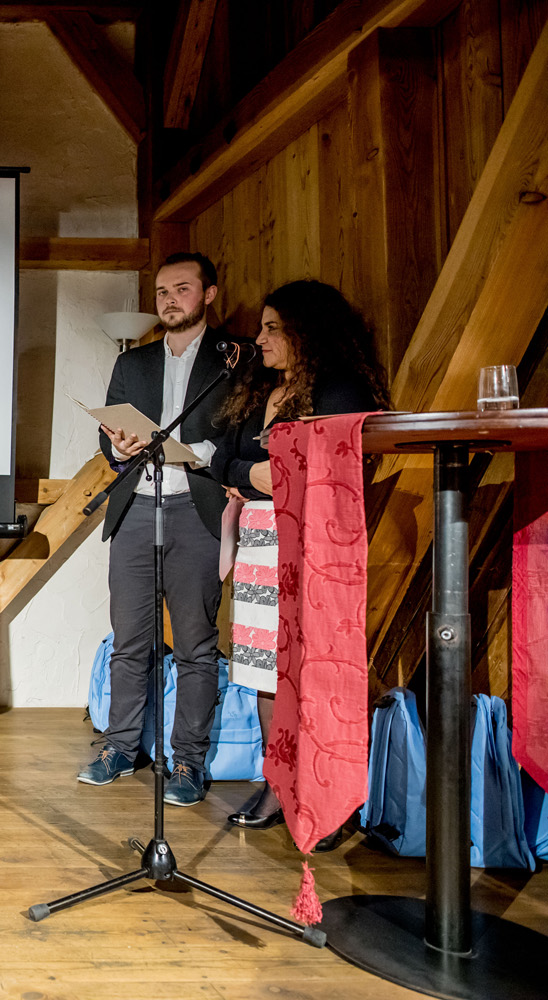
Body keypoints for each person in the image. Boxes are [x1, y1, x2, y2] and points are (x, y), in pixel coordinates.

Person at [216, 279, 389, 844]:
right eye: (261, 327)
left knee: (313, 667)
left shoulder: (339, 389)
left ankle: (328, 795)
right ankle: (277, 782)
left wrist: (264, 476)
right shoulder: (259, 390)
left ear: (306, 332)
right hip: (260, 546)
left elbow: (334, 466)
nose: (260, 339)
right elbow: (223, 460)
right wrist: (253, 474)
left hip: (313, 546)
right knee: (263, 669)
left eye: (273, 328)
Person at [79, 251, 235, 807]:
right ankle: (120, 747)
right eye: (163, 291)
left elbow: (242, 436)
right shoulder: (134, 363)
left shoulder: (233, 358)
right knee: (129, 641)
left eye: (182, 289)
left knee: (195, 644)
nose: (170, 300)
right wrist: (120, 448)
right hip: (137, 508)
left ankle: (188, 761)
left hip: (196, 509)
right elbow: (109, 437)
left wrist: (196, 452)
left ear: (208, 294)